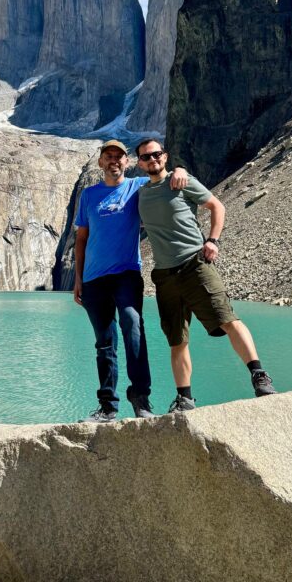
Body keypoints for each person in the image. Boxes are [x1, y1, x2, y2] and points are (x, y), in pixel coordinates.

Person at [135, 137, 277, 412]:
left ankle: (259, 375)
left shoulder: (181, 181)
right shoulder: (140, 193)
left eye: (156, 154)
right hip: (164, 275)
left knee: (227, 318)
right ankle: (185, 398)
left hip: (194, 264)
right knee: (177, 339)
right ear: (140, 164)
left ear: (165, 157)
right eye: (146, 157)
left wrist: (213, 241)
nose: (152, 160)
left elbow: (217, 206)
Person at [73, 139, 188, 423]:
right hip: (93, 279)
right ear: (101, 162)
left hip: (126, 274)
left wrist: (180, 170)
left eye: (119, 157)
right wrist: (77, 279)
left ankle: (140, 398)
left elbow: (161, 176)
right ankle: (108, 407)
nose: (114, 161)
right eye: (108, 156)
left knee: (133, 326)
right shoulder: (89, 195)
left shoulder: (138, 187)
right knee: (104, 343)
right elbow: (81, 239)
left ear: (127, 162)